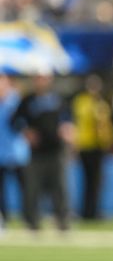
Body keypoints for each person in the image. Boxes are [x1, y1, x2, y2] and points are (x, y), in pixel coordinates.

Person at [11, 68, 74, 232]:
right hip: (36, 153)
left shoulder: (58, 99)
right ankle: (32, 222)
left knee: (59, 188)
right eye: (38, 78)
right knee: (32, 188)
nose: (41, 81)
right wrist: (26, 131)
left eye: (44, 78)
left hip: (56, 150)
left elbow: (68, 119)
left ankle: (62, 221)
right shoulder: (28, 100)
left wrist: (67, 130)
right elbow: (15, 121)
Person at [72, 74, 113, 220]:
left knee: (98, 181)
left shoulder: (102, 103)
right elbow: (81, 120)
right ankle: (85, 211)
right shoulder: (82, 101)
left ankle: (95, 210)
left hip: (99, 146)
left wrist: (109, 142)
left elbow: (106, 126)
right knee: (87, 180)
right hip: (85, 145)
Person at [0, 74, 30, 231]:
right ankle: (3, 220)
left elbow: (24, 123)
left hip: (18, 152)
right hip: (1, 153)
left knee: (25, 188)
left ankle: (29, 220)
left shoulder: (17, 100)